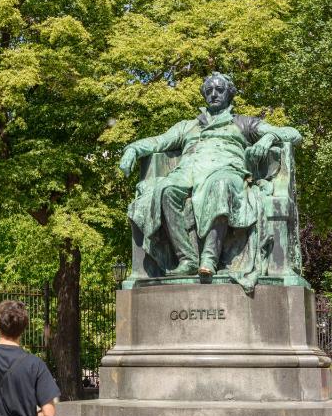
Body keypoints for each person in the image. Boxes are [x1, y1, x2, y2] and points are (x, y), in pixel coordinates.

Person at [119, 72, 302, 279]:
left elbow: (293, 134)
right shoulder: (188, 126)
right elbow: (157, 142)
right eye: (209, 90)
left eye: (219, 90)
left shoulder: (243, 123)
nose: (213, 94)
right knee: (165, 190)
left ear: (229, 94)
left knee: (220, 185)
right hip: (187, 173)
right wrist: (132, 149)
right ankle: (187, 258)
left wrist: (268, 137)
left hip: (226, 170)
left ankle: (209, 258)